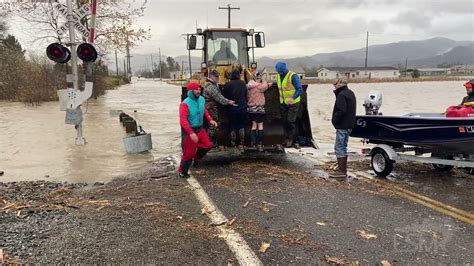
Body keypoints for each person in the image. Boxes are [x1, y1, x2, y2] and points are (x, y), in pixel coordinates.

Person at [178, 82, 218, 178]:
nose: (198, 91)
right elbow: (183, 120)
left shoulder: (201, 99)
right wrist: (191, 133)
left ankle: (196, 159)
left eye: (199, 89)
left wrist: (210, 119)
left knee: (207, 145)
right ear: (191, 91)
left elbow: (204, 110)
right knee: (188, 154)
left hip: (200, 129)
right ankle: (182, 171)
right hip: (190, 131)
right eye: (196, 89)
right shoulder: (185, 104)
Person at [328, 78, 357, 179]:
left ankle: (341, 171)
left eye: (335, 84)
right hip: (349, 125)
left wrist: (334, 120)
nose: (334, 86)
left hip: (342, 125)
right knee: (343, 146)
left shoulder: (341, 95)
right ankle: (342, 169)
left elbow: (341, 110)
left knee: (339, 147)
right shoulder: (350, 93)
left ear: (340, 84)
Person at [203, 69, 235, 146]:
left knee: (215, 124)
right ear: (211, 76)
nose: (217, 78)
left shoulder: (213, 84)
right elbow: (219, 98)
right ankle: (210, 142)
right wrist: (229, 102)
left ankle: (212, 142)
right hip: (211, 108)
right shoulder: (211, 87)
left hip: (212, 107)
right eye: (215, 76)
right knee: (213, 124)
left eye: (218, 76)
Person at [274, 61, 303, 148]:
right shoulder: (279, 76)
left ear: (284, 70)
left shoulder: (293, 76)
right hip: (283, 102)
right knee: (284, 121)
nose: (280, 73)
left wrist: (293, 98)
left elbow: (299, 89)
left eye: (281, 71)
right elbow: (280, 85)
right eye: (278, 72)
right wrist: (271, 84)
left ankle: (291, 139)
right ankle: (286, 138)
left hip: (293, 103)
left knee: (290, 121)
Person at [223, 67, 248, 150]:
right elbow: (246, 95)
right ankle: (242, 141)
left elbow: (224, 95)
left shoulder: (228, 84)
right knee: (241, 124)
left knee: (233, 125)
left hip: (232, 108)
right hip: (242, 107)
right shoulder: (243, 83)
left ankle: (233, 141)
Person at [247, 71, 270, 151]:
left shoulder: (249, 86)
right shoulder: (260, 87)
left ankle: (253, 143)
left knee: (253, 126)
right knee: (260, 126)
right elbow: (265, 86)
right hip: (259, 108)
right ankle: (260, 143)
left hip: (251, 109)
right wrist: (264, 81)